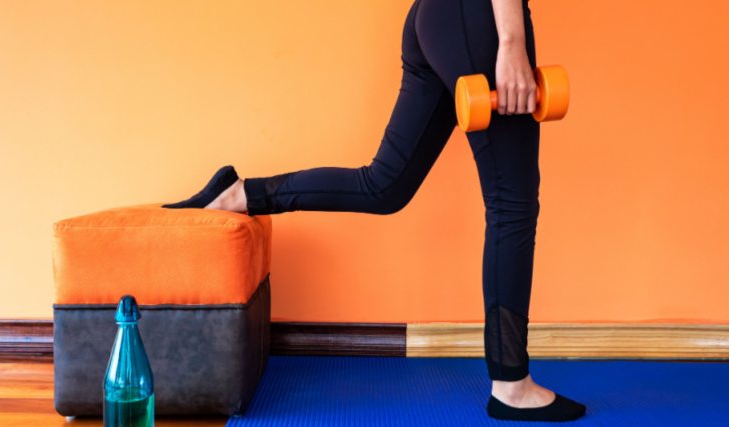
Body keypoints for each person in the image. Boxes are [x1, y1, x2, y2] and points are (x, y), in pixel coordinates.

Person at [164, 0, 586, 422]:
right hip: (479, 16)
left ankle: (241, 195)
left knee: (384, 186)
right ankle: (512, 384)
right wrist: (511, 41)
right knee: (512, 204)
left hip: (434, 16)